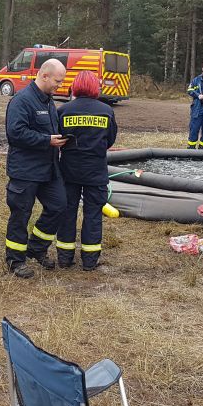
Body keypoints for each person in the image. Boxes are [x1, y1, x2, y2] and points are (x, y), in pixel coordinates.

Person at [4, 58, 69, 279]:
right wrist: (47, 140)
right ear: (44, 75)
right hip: (25, 170)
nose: (60, 85)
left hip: (49, 170)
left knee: (59, 206)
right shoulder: (22, 101)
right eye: (57, 81)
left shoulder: (48, 101)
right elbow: (15, 133)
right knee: (21, 214)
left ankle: (36, 247)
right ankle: (15, 260)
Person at [57, 71, 118, 270]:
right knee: (93, 215)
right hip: (96, 172)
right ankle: (90, 261)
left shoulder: (63, 110)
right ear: (95, 87)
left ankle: (64, 258)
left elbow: (57, 138)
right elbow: (110, 140)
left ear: (75, 87)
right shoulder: (106, 111)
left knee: (67, 213)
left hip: (69, 171)